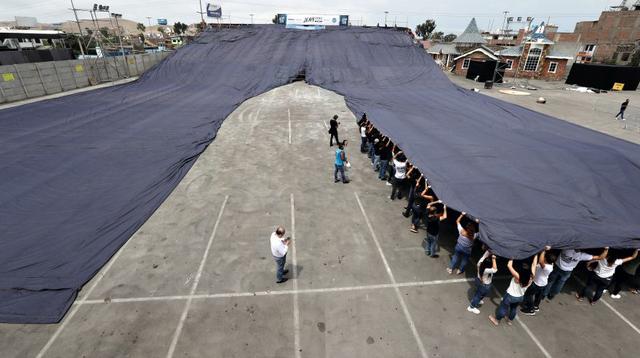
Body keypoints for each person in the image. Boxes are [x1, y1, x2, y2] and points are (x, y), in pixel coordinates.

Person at [543, 248, 608, 300]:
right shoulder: (581, 255)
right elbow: (599, 257)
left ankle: (544, 294)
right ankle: (552, 295)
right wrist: (606, 249)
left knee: (550, 280)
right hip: (568, 271)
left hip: (558, 267)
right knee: (560, 283)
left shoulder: (566, 248)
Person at [489, 256, 537, 326]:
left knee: (503, 307)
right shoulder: (532, 277)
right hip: (520, 297)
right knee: (513, 308)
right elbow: (534, 264)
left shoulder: (518, 276)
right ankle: (509, 320)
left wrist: (512, 257)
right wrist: (536, 255)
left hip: (510, 296)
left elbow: (509, 265)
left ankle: (497, 320)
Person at [521, 247, 556, 315]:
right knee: (538, 295)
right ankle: (536, 306)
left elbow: (540, 261)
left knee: (529, 294)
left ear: (545, 259)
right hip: (543, 283)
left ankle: (530, 309)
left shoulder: (546, 267)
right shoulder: (551, 264)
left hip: (537, 284)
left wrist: (543, 250)